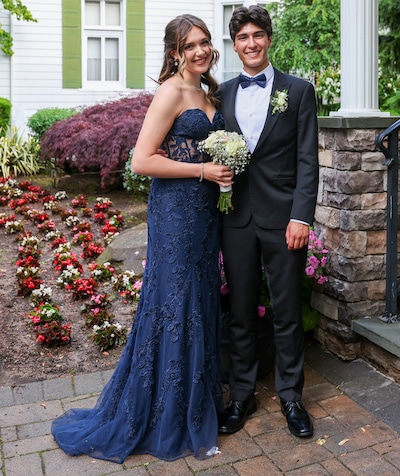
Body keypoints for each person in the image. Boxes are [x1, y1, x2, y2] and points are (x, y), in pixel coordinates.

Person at [51, 14, 234, 463]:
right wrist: (203, 170)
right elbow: (141, 160)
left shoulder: (209, 91)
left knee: (200, 297)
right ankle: (166, 412)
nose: (200, 51)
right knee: (177, 302)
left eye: (204, 42)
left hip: (206, 213)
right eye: (190, 45)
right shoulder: (171, 91)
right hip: (176, 213)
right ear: (174, 52)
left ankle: (194, 401)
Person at [217, 6, 319, 438]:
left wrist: (301, 217)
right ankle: (241, 394)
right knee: (240, 311)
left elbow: (308, 159)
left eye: (258, 35)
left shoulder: (299, 91)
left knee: (287, 311)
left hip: (284, 219)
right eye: (243, 37)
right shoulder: (220, 94)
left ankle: (292, 397)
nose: (251, 43)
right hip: (236, 217)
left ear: (269, 39)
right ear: (234, 44)